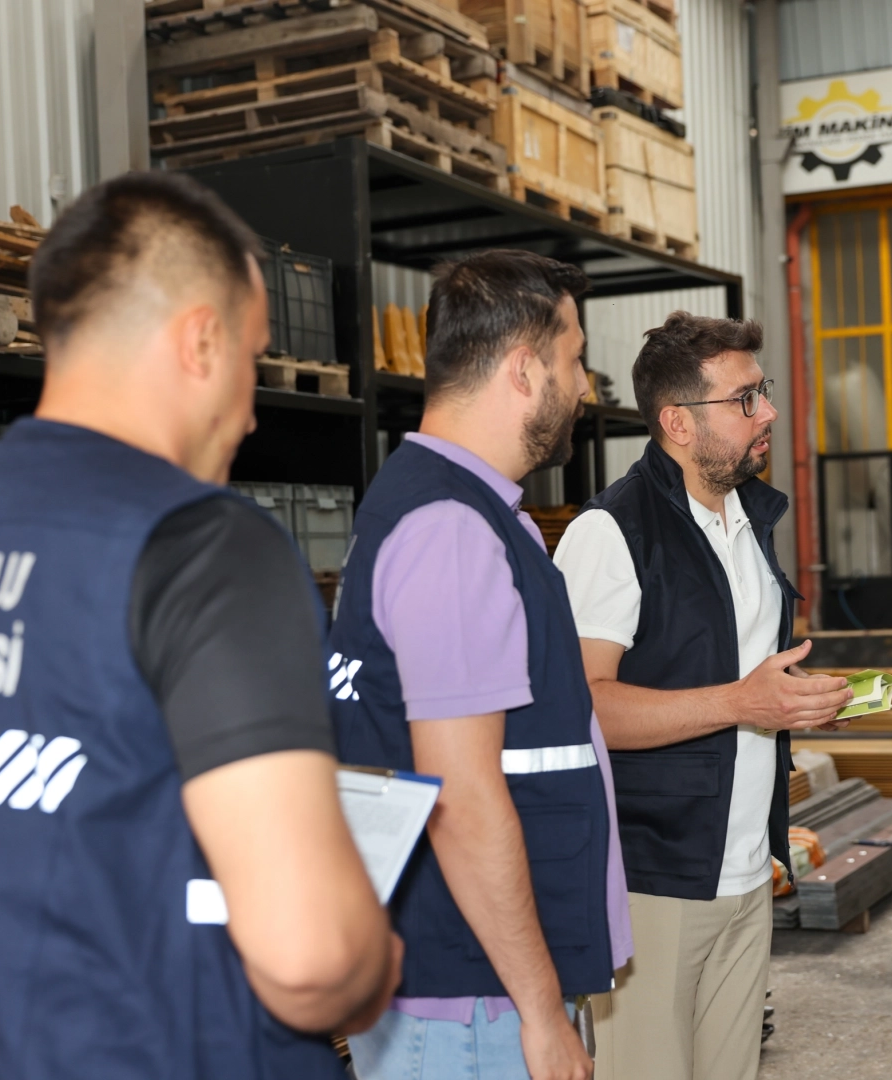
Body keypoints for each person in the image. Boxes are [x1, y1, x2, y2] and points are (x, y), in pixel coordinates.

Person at [0, 172, 400, 1078]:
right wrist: (370, 958)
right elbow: (308, 960)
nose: (251, 413)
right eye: (252, 360)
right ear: (201, 340)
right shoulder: (207, 548)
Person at [329, 249, 626, 1080]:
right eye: (574, 360)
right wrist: (541, 1009)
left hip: (466, 991)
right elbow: (459, 795)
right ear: (524, 370)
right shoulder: (452, 531)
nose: (584, 388)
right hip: (472, 1007)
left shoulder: (449, 507)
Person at [553, 312, 852, 1080]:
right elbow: (582, 707)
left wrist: (794, 700)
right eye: (745, 399)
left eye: (764, 390)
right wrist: (741, 705)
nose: (768, 412)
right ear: (678, 422)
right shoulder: (612, 533)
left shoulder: (749, 519)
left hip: (747, 871)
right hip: (652, 880)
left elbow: (734, 673)